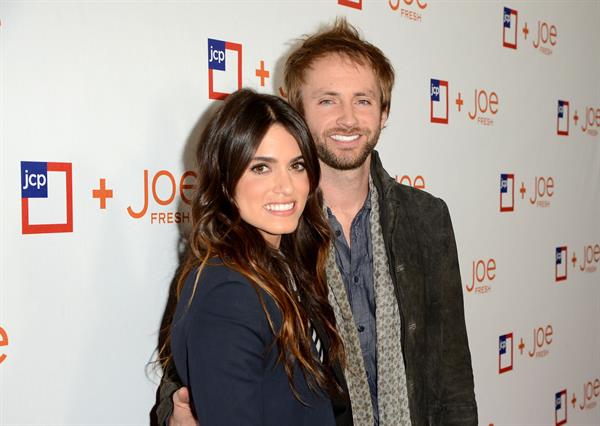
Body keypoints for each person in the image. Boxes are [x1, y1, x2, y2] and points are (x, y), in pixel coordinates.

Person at [156, 18, 478, 426]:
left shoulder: (427, 219)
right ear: (294, 106)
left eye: (363, 100)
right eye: (327, 100)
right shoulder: (271, 225)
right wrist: (174, 414)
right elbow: (197, 363)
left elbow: (452, 376)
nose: (347, 119)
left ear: (384, 112)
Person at [163, 88, 348, 426]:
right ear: (224, 180)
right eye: (261, 168)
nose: (287, 187)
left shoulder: (285, 265)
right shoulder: (228, 293)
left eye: (297, 166)